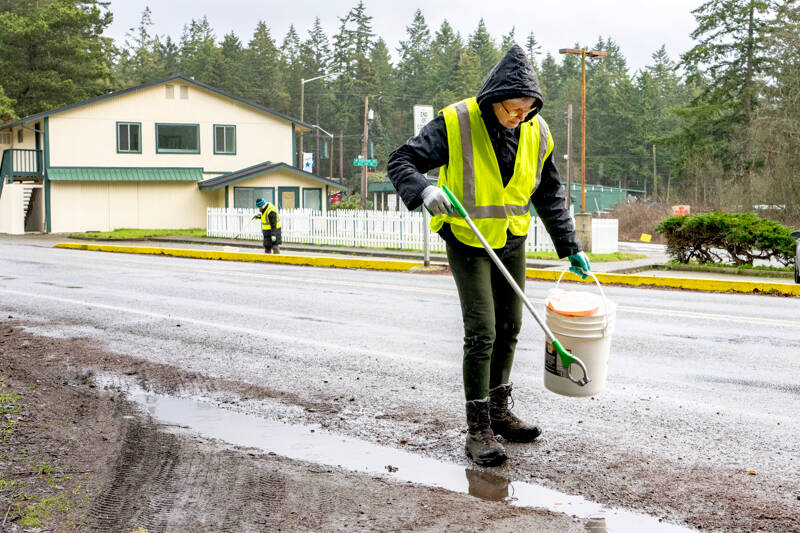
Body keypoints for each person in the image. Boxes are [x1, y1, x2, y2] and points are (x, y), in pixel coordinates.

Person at [387, 44, 591, 467]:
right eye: (512, 110)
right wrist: (424, 190)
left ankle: (500, 410)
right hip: (467, 237)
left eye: (526, 111)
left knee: (511, 326)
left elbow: (549, 195)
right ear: (493, 99)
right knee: (482, 331)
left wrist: (570, 247)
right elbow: (401, 159)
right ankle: (477, 427)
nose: (519, 118)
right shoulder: (456, 121)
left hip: (511, 238)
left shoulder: (537, 131)